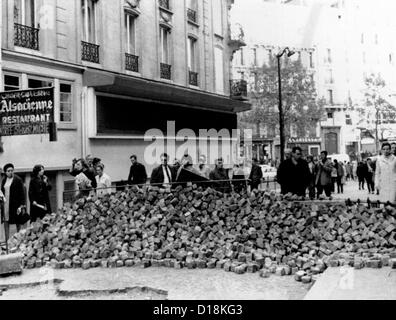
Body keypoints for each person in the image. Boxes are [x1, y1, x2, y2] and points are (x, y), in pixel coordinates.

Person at [1, 164, 28, 240]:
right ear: (5, 172)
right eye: (8, 171)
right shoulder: (4, 180)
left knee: (18, 221)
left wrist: (22, 205)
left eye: (12, 170)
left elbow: (22, 193)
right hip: (6, 204)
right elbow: (2, 192)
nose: (10, 172)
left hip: (15, 205)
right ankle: (7, 240)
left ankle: (19, 239)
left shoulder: (18, 179)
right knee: (6, 220)